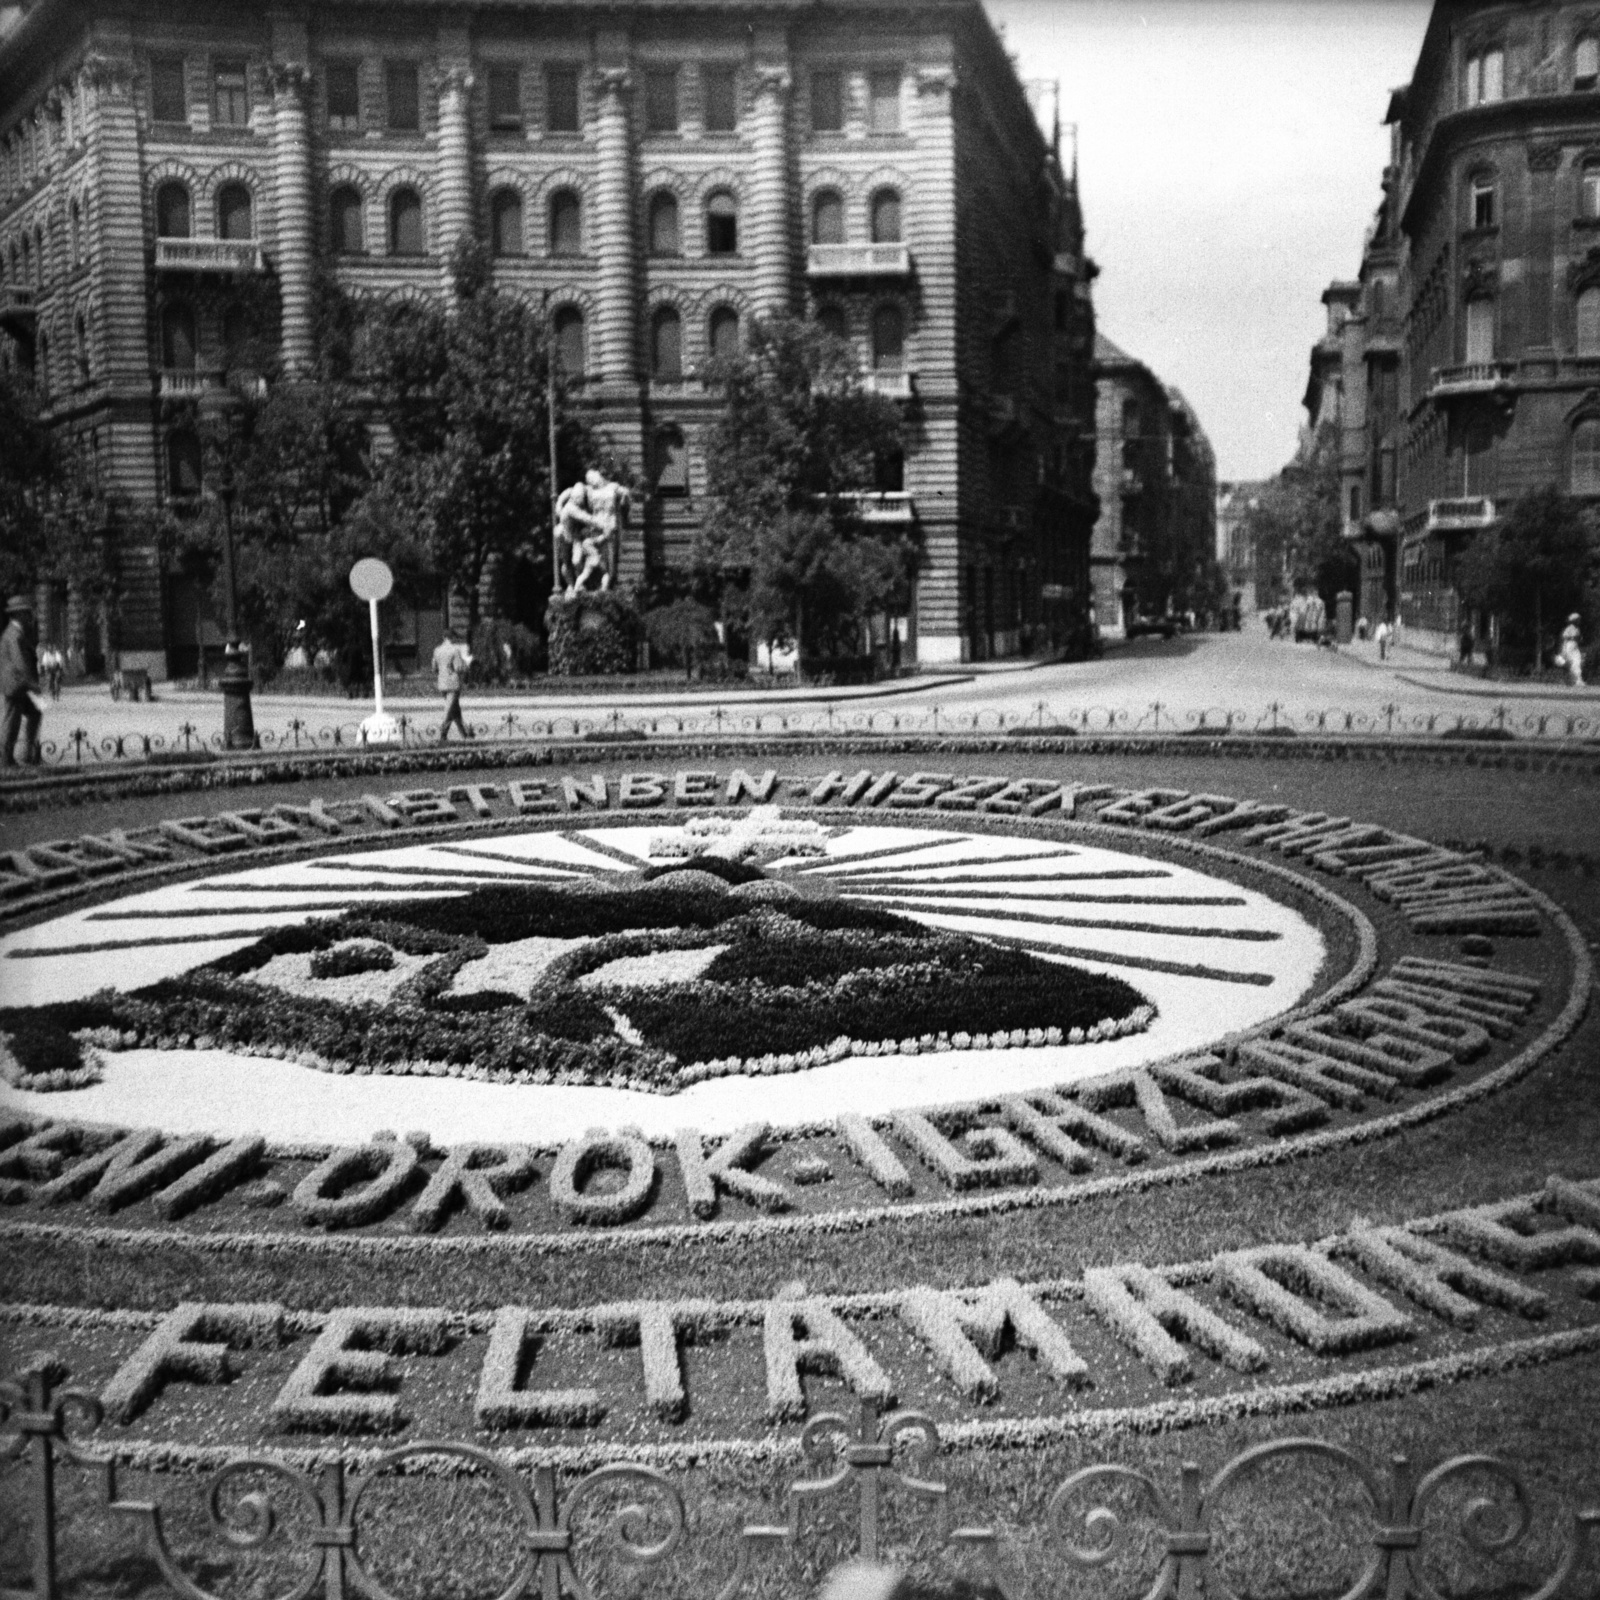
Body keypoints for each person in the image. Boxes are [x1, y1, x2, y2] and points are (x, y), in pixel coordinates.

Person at [0, 595, 43, 768]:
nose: (29, 615)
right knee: (11, 722)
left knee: (35, 713)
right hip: (16, 685)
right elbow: (21, 663)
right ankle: (6, 759)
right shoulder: (14, 635)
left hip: (19, 685)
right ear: (18, 614)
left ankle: (28, 754)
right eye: (26, 612)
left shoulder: (16, 633)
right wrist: (33, 684)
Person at [432, 625, 474, 742]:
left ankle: (465, 733)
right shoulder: (454, 650)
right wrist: (466, 663)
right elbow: (458, 667)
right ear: (452, 638)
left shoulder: (437, 650)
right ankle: (443, 731)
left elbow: (434, 668)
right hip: (453, 683)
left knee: (455, 710)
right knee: (449, 709)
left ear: (443, 637)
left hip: (442, 683)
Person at [1561, 613, 1585, 687]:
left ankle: (1577, 680)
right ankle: (1574, 681)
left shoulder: (1577, 629)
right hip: (1569, 646)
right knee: (1573, 663)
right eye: (1578, 620)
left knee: (1577, 662)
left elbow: (1577, 640)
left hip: (1574, 646)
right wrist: (1564, 650)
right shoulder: (1569, 628)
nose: (1579, 621)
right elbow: (1565, 638)